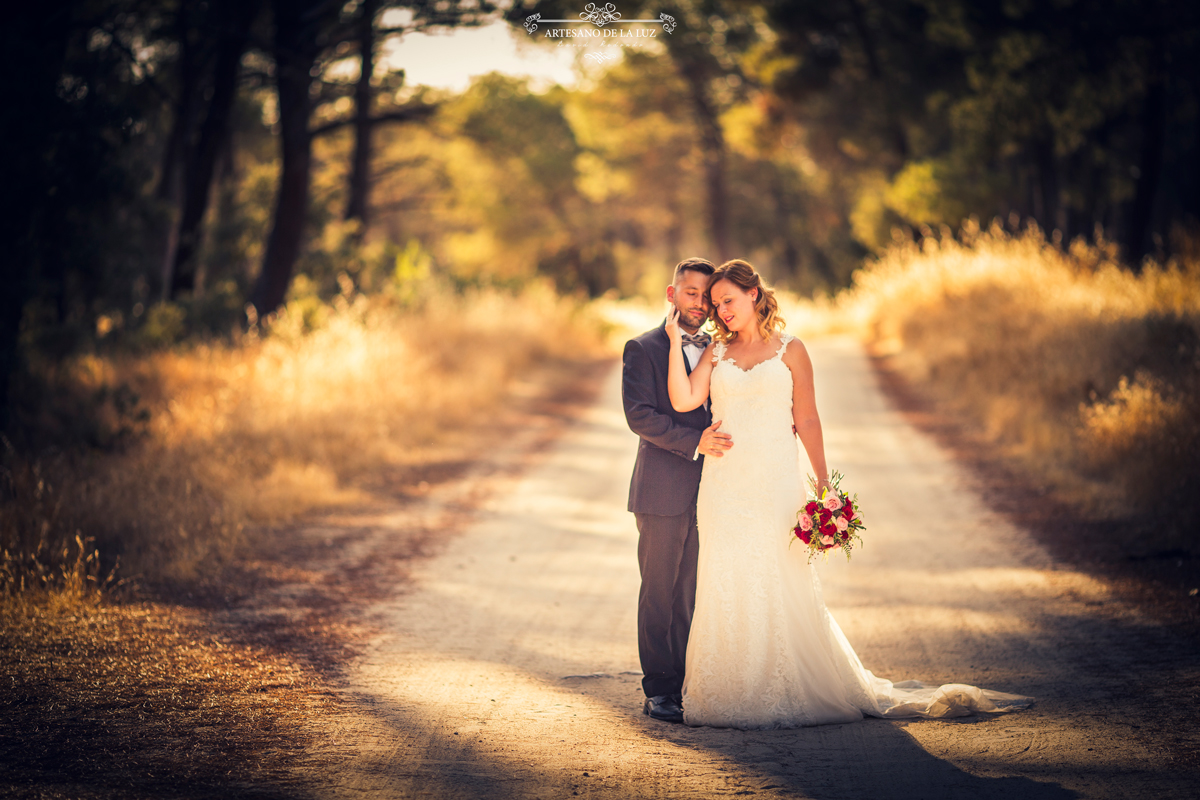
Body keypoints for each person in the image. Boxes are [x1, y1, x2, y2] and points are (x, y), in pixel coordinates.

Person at [666, 259, 1032, 729]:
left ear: (754, 293)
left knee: (780, 577)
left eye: (728, 301)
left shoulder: (791, 350)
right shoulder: (716, 352)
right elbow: (683, 401)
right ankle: (731, 688)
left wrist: (822, 486)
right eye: (716, 305)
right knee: (728, 577)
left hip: (777, 481)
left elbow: (809, 420)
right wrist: (677, 341)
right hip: (725, 485)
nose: (721, 311)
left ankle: (787, 683)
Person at [621, 257, 733, 723]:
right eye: (692, 294)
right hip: (662, 489)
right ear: (672, 294)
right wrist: (694, 441)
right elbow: (639, 416)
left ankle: (689, 682)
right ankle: (660, 690)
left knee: (692, 591)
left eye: (707, 297)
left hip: (712, 490)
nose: (701, 304)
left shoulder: (718, 348)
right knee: (660, 591)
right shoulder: (643, 347)